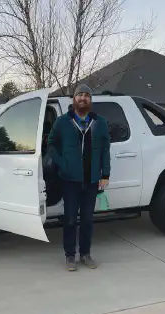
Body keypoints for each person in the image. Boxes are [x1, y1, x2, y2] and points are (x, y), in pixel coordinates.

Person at [47, 84, 111, 271]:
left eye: (86, 95)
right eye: (79, 95)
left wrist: (105, 174)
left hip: (91, 180)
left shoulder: (99, 122)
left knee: (87, 220)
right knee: (69, 219)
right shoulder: (62, 122)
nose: (83, 98)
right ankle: (70, 256)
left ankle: (85, 254)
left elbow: (106, 150)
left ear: (90, 100)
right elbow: (51, 144)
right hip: (70, 181)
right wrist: (62, 164)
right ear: (73, 99)